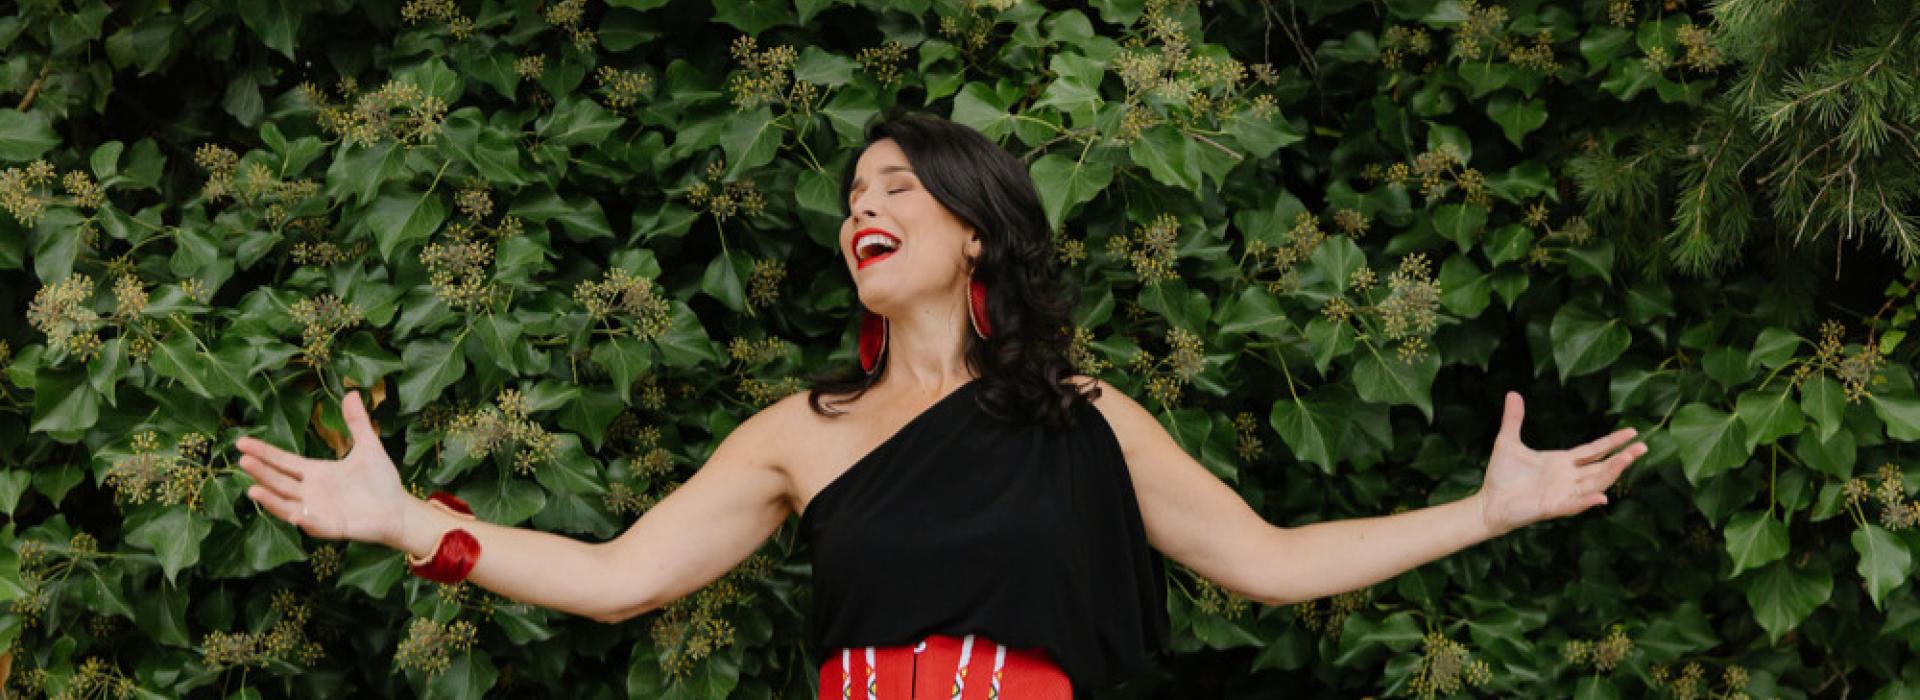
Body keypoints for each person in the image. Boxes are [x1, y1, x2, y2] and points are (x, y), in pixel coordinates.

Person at [233, 113, 1647, 697]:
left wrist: (1486, 507)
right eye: (853, 196)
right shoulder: (803, 432)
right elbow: (617, 581)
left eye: (898, 188)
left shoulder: (1088, 417)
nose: (864, 207)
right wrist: (414, 523)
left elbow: (1270, 565)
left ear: (977, 229)